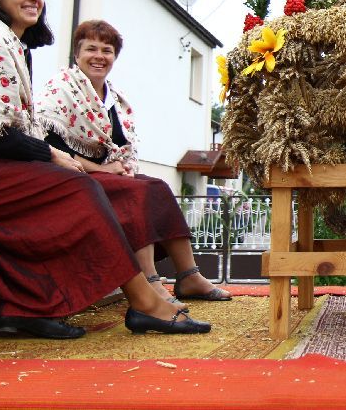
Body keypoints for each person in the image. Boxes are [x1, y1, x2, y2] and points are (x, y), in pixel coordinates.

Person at [0, 0, 211, 338]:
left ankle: (27, 309)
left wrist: (62, 161)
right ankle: (145, 300)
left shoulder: (6, 42)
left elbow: (0, 134)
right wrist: (57, 157)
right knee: (76, 191)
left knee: (130, 187)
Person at [37, 20, 231, 302]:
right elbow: (50, 144)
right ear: (76, 55)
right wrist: (102, 169)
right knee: (136, 192)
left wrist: (120, 168)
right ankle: (149, 283)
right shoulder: (61, 87)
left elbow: (119, 147)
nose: (99, 56)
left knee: (158, 187)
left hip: (104, 174)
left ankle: (189, 275)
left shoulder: (114, 99)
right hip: (69, 174)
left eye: (107, 50)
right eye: (91, 48)